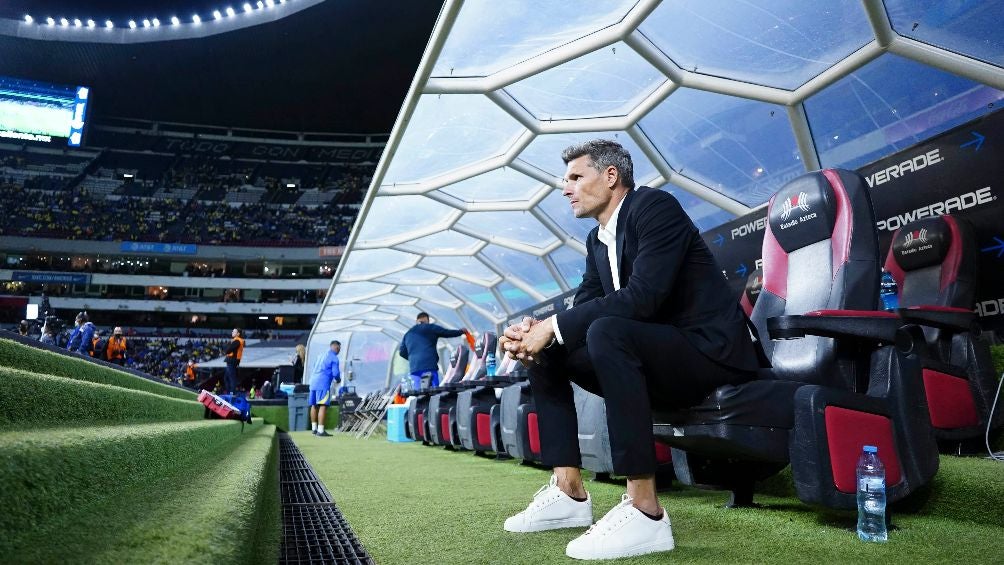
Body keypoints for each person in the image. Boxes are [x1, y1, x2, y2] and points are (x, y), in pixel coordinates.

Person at [499, 140, 760, 560]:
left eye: (575, 177)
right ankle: (568, 490)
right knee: (549, 351)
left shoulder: (654, 207)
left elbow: (644, 298)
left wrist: (553, 326)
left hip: (711, 352)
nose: (565, 188)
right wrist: (533, 333)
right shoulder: (597, 240)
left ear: (610, 176)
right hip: (660, 357)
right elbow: (585, 304)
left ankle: (645, 510)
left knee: (607, 331)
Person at [399, 312, 467, 390]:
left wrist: (412, 358)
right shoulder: (430, 328)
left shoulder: (408, 334)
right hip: (429, 366)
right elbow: (446, 332)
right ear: (427, 320)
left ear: (417, 321)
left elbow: (402, 352)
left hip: (414, 368)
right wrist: (461, 332)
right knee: (433, 392)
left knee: (417, 393)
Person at [310, 340, 341, 437]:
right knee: (323, 405)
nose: (339, 351)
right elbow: (336, 373)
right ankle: (320, 431)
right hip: (323, 383)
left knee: (314, 405)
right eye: (339, 348)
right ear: (336, 347)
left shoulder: (320, 355)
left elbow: (314, 367)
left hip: (313, 382)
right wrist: (338, 379)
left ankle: (314, 429)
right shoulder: (334, 358)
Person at [223, 328, 245, 394]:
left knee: (232, 378)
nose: (232, 332)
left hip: (232, 361)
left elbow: (227, 350)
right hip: (232, 361)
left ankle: (232, 393)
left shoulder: (237, 341)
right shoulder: (236, 340)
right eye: (232, 331)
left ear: (238, 334)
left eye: (234, 331)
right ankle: (230, 392)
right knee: (227, 378)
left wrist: (226, 346)